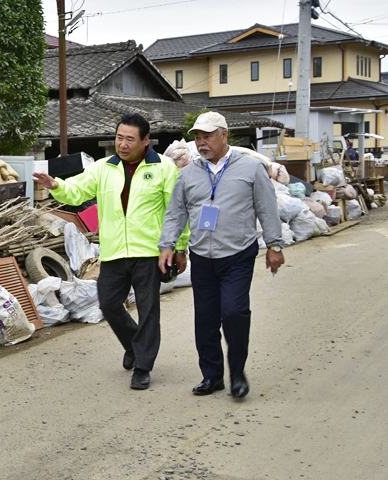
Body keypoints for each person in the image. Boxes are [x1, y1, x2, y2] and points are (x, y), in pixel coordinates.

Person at [33, 113, 188, 391]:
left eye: (130, 139)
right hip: (114, 250)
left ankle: (142, 367)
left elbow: (176, 211)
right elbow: (78, 191)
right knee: (108, 303)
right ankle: (133, 345)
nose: (123, 144)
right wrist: (56, 185)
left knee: (148, 309)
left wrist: (178, 247)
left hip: (149, 251)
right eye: (119, 137)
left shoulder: (164, 168)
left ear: (145, 141)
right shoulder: (103, 167)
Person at [157, 111, 285, 399]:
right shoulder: (188, 174)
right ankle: (212, 376)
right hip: (202, 256)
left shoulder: (251, 169)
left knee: (234, 312)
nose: (201, 143)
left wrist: (275, 246)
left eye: (207, 136)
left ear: (224, 135)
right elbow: (176, 213)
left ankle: (237, 372)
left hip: (238, 254)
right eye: (198, 138)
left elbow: (267, 207)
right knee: (205, 318)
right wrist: (169, 246)